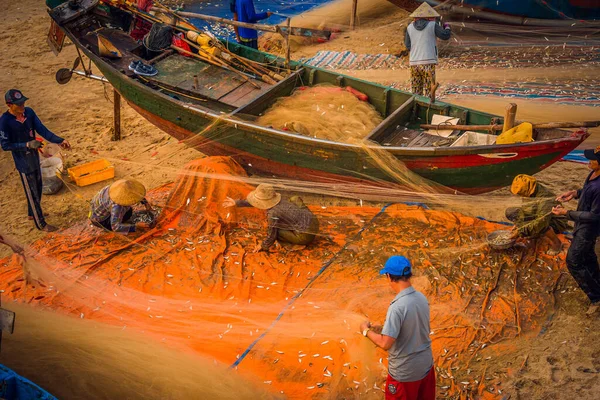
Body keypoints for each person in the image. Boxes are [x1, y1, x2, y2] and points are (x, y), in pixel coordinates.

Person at [360, 256, 435, 400]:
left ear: (389, 276)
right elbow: (411, 327)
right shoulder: (421, 298)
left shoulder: (397, 307)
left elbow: (385, 343)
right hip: (426, 367)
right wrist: (383, 329)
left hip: (405, 374)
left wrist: (365, 331)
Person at [0, 89, 71, 232]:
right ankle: (41, 224)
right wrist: (26, 145)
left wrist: (59, 140)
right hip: (23, 162)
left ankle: (33, 213)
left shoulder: (29, 113)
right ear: (9, 105)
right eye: (18, 104)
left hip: (34, 157)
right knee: (31, 191)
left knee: (38, 187)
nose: (22, 106)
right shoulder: (5, 122)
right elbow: (5, 145)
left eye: (23, 103)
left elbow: (42, 130)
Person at [553, 146, 600, 315]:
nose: (589, 161)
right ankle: (598, 283)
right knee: (588, 256)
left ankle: (596, 297)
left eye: (593, 159)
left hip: (588, 229)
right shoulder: (593, 175)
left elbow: (595, 216)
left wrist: (567, 213)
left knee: (573, 261)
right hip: (581, 225)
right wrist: (575, 193)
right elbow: (587, 192)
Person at [223, 184, 319, 252]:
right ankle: (299, 231)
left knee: (277, 232)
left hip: (305, 236)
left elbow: (271, 236)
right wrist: (237, 202)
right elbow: (258, 202)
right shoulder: (282, 199)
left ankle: (294, 245)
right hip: (314, 221)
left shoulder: (272, 214)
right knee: (294, 199)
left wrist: (263, 245)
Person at [506, 174, 567, 253]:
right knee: (511, 212)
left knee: (540, 225)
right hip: (540, 216)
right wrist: (518, 224)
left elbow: (541, 221)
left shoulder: (545, 199)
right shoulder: (530, 190)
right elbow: (526, 211)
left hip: (556, 222)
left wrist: (520, 232)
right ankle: (532, 233)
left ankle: (557, 244)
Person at [403, 2, 451, 97]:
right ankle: (429, 108)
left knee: (416, 92)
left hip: (414, 64)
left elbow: (407, 45)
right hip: (428, 63)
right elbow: (445, 35)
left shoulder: (409, 27)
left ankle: (417, 108)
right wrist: (447, 26)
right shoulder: (432, 25)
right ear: (428, 17)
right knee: (430, 91)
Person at [89, 179, 155, 233]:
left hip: (97, 209)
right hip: (100, 220)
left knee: (128, 210)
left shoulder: (116, 188)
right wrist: (136, 226)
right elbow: (115, 227)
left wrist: (146, 203)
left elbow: (136, 193)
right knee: (128, 213)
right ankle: (108, 227)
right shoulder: (117, 206)